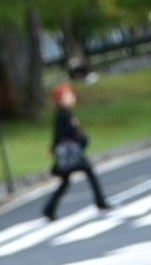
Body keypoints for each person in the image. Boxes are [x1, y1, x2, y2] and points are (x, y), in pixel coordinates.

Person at [40, 72, 111, 221]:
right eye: (68, 95)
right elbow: (62, 133)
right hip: (71, 153)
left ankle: (49, 208)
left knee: (66, 181)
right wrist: (75, 129)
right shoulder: (64, 114)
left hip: (66, 153)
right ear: (60, 99)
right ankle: (100, 201)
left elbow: (57, 135)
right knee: (88, 172)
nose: (72, 97)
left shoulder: (62, 113)